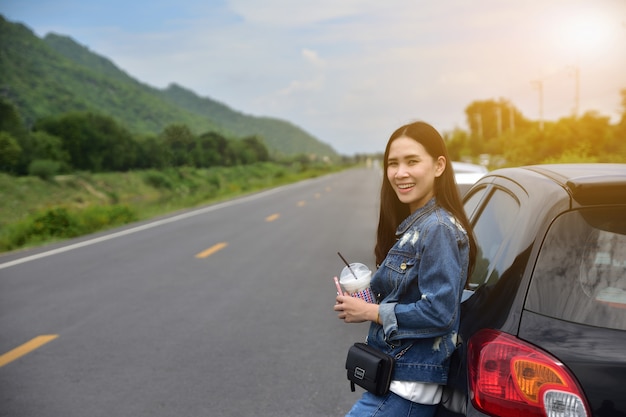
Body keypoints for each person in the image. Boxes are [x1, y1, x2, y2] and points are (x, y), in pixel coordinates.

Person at [334, 121, 476, 417]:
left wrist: (370, 312)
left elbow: (440, 312)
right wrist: (364, 300)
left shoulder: (437, 228)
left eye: (412, 161)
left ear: (438, 166)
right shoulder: (417, 226)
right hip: (395, 384)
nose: (400, 173)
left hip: (406, 392)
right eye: (393, 164)